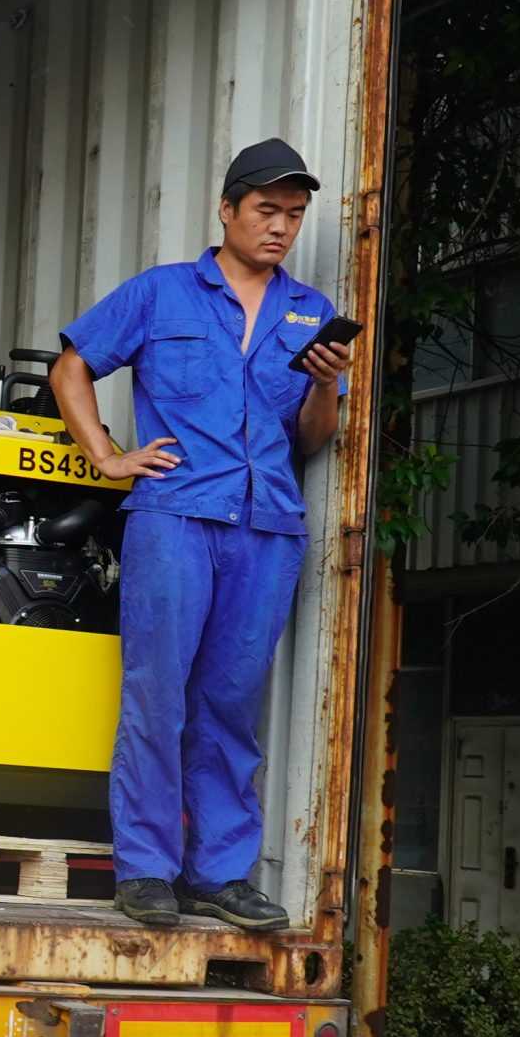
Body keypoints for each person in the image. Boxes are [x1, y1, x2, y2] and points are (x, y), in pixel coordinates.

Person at [49, 138, 354, 931]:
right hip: (176, 517)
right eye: (267, 210)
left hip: (266, 527)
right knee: (157, 694)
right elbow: (71, 367)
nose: (281, 227)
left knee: (231, 701)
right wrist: (107, 455)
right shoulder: (161, 294)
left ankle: (219, 871)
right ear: (227, 210)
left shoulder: (309, 311)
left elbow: (313, 437)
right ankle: (146, 868)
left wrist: (325, 385)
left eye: (295, 214)